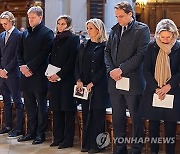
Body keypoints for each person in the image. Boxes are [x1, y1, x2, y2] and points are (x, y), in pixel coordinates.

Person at [104, 1, 150, 154]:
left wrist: (121, 69)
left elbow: (140, 55)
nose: (118, 19)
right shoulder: (114, 29)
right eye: (116, 16)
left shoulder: (142, 29)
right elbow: (107, 52)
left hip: (133, 81)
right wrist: (111, 70)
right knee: (117, 118)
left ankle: (136, 149)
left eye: (121, 16)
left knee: (136, 118)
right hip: (115, 81)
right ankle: (119, 148)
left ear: (130, 14)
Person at [139, 19, 180, 154]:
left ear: (174, 35)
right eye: (162, 37)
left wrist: (168, 86)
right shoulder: (152, 47)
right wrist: (156, 88)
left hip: (172, 91)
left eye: (168, 37)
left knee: (170, 128)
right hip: (153, 92)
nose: (165, 40)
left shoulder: (178, 48)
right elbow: (146, 70)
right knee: (153, 127)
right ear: (157, 35)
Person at [17, 6, 54, 144]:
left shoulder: (47, 33)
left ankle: (40, 134)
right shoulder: (25, 33)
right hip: (26, 76)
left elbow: (44, 53)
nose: (30, 20)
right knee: (29, 105)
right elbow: (18, 52)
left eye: (33, 18)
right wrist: (22, 66)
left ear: (40, 17)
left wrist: (29, 66)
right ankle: (30, 132)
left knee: (41, 106)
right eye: (29, 18)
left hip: (39, 75)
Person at [76, 18, 110, 153]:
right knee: (86, 115)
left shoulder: (105, 46)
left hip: (99, 86)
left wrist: (93, 82)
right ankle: (86, 143)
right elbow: (77, 64)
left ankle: (98, 145)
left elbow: (104, 67)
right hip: (84, 86)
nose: (88, 31)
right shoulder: (84, 45)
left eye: (90, 28)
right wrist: (78, 79)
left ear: (98, 29)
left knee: (98, 116)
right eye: (87, 28)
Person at [47, 15, 79, 149]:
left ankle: (67, 140)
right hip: (54, 79)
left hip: (67, 79)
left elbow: (72, 61)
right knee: (57, 110)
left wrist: (59, 75)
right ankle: (57, 138)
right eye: (59, 23)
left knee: (68, 111)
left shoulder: (73, 39)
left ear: (69, 25)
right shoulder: (55, 39)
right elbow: (50, 57)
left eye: (63, 24)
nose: (60, 26)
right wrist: (50, 73)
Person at [0, 11, 24, 138]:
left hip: (13, 74)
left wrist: (6, 70)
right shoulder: (2, 35)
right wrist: (0, 70)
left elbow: (17, 56)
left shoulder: (19, 35)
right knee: (6, 101)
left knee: (17, 101)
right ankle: (7, 125)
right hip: (2, 74)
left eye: (5, 23)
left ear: (11, 21)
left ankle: (19, 128)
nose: (3, 26)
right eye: (2, 24)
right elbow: (0, 55)